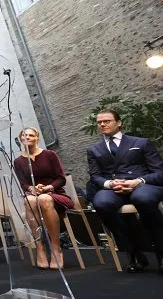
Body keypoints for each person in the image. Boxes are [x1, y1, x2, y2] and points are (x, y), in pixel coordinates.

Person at [87, 109, 163, 274]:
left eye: (106, 121)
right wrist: (110, 183)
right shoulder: (94, 149)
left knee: (143, 199)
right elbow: (95, 177)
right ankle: (133, 251)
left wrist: (137, 182)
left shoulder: (141, 143)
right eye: (99, 122)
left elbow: (159, 172)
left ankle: (161, 251)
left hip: (143, 184)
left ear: (119, 123)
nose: (102, 124)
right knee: (101, 203)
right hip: (113, 188)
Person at [13, 127, 73, 270]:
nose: (27, 137)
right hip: (35, 197)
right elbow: (22, 183)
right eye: (24, 135)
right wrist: (30, 189)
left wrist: (48, 188)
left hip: (56, 194)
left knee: (44, 198)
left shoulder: (49, 155)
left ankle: (55, 248)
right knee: (31, 200)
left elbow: (61, 179)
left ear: (37, 138)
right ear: (20, 139)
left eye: (31, 135)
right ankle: (39, 247)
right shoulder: (18, 161)